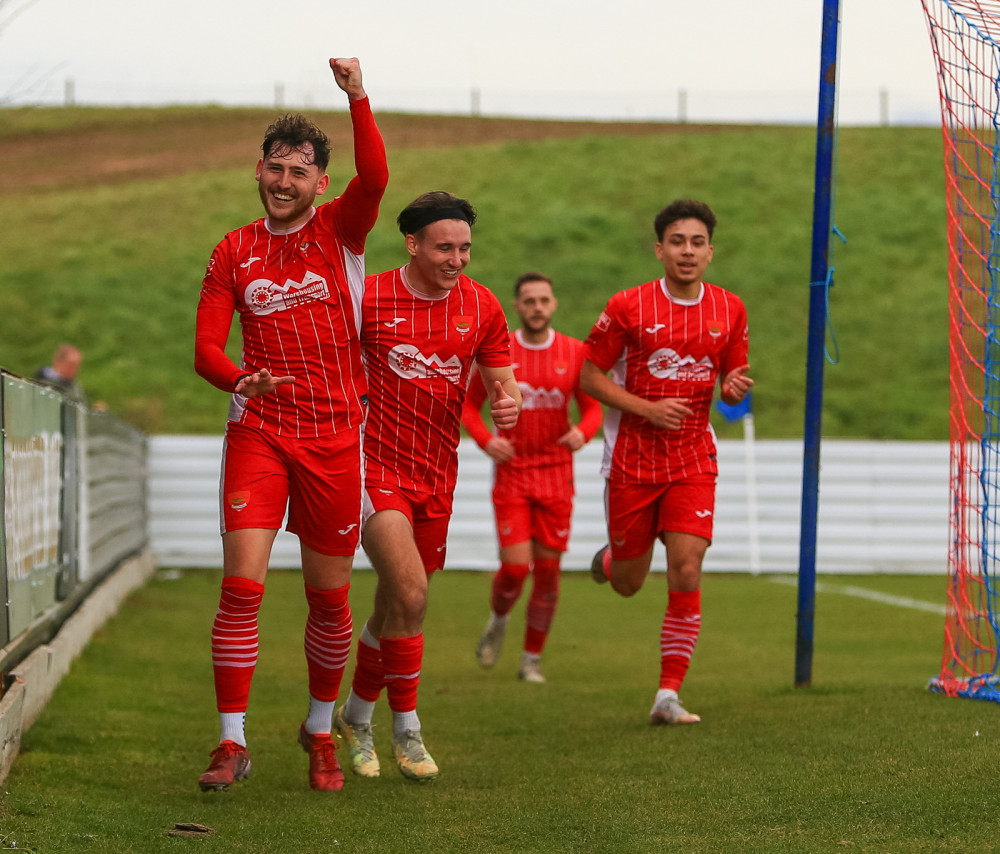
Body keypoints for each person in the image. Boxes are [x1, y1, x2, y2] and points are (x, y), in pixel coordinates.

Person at [192, 57, 388, 793]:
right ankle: (230, 741)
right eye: (275, 168)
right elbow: (207, 347)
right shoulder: (231, 250)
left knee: (328, 600)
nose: (284, 182)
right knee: (241, 589)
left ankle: (317, 728)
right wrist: (240, 377)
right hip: (260, 433)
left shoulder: (344, 230)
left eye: (299, 172)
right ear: (258, 171)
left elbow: (377, 179)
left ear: (320, 184)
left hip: (338, 436)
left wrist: (358, 97)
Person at [333, 191, 520, 782]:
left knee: (394, 603)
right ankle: (406, 729)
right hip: (374, 468)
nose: (457, 259)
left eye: (465, 247)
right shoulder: (370, 295)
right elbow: (328, 357)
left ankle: (356, 714)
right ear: (412, 244)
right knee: (412, 596)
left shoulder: (482, 305)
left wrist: (506, 403)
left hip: (438, 475)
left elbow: (501, 383)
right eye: (445, 247)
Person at [579, 199, 753, 726]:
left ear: (710, 252)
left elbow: (734, 385)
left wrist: (733, 388)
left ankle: (667, 695)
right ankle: (612, 561)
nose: (687, 251)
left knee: (686, 566)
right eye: (677, 241)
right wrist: (648, 408)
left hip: (693, 458)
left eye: (697, 242)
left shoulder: (730, 309)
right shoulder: (628, 306)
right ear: (660, 250)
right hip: (632, 462)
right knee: (631, 582)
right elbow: (589, 377)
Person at [463, 272, 603, 683]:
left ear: (554, 304)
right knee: (516, 568)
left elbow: (594, 408)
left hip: (557, 476)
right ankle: (499, 617)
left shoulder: (575, 353)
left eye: (544, 300)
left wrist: (584, 430)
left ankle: (531, 660)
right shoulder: (498, 352)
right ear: (517, 306)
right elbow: (469, 407)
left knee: (548, 575)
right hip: (512, 474)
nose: (537, 307)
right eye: (529, 301)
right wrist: (487, 440)